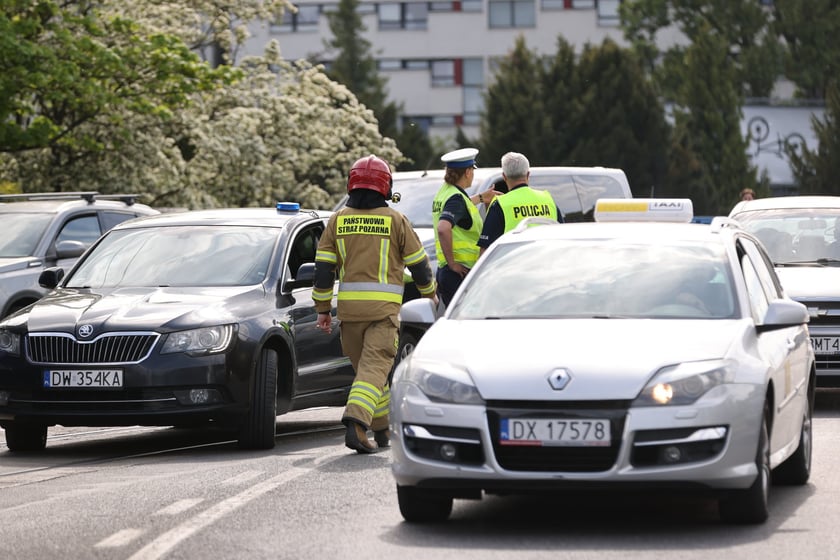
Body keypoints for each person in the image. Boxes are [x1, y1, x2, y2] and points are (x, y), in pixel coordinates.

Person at [312, 155, 437, 454]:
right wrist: (429, 293)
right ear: (385, 187)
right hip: (382, 314)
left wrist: (322, 310)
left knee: (370, 374)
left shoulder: (337, 220)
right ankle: (356, 423)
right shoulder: (396, 220)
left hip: (350, 314)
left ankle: (382, 429)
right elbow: (418, 263)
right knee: (373, 372)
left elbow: (323, 269)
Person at [433, 147, 500, 306]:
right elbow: (443, 228)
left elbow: (460, 209)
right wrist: (453, 264)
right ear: (468, 172)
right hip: (458, 273)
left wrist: (482, 197)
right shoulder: (455, 198)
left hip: (446, 272)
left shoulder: (445, 192)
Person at [477, 152, 563, 254]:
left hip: (515, 266)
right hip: (546, 264)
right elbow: (562, 238)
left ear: (504, 176)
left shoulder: (500, 204)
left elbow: (486, 249)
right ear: (528, 174)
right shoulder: (548, 200)